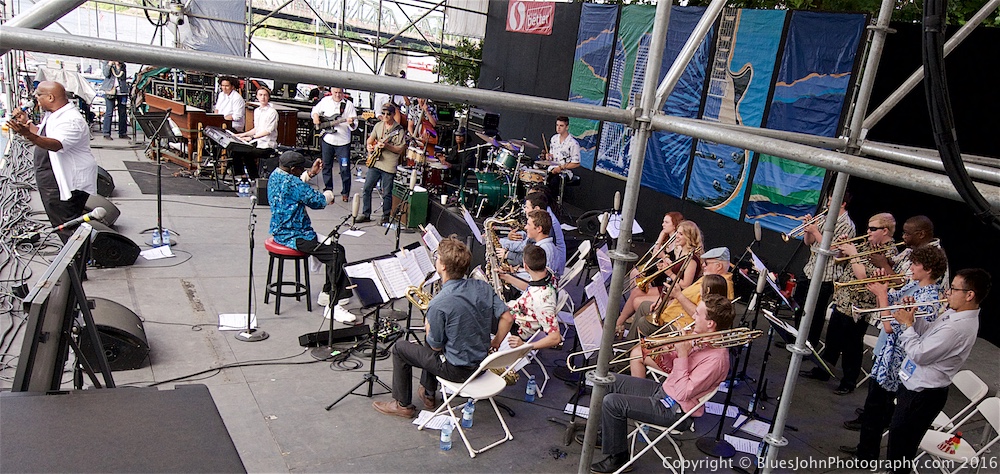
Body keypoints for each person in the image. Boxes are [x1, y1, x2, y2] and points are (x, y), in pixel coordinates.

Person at [589, 294, 735, 473]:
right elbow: (671, 368)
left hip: (675, 410)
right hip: (664, 391)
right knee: (608, 380)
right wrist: (664, 350)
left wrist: (682, 355)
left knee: (612, 402)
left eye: (698, 314)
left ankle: (618, 458)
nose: (693, 317)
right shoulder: (701, 338)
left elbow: (683, 393)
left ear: (710, 323)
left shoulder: (717, 360)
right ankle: (608, 437)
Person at [373, 237, 514, 417]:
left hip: (458, 371)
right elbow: (508, 318)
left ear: (444, 267)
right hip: (482, 364)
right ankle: (429, 394)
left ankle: (402, 405)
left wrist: (429, 327)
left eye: (437, 258)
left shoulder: (439, 303)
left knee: (401, 348)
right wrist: (495, 342)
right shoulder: (482, 287)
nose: (436, 261)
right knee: (434, 340)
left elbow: (436, 347)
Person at [840, 246, 948, 460]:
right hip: (888, 355)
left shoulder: (928, 297)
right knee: (873, 406)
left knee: (878, 409)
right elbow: (891, 300)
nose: (911, 268)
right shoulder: (914, 286)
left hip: (897, 360)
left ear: (927, 269)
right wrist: (882, 286)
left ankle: (866, 455)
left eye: (915, 264)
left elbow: (890, 326)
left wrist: (881, 295)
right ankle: (864, 448)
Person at [885, 268, 990, 473]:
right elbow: (928, 335)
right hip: (915, 386)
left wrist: (907, 327)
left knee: (902, 449)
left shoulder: (958, 327)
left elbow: (920, 354)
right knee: (897, 441)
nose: (948, 293)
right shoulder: (953, 313)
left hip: (923, 394)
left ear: (970, 295)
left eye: (953, 289)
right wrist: (913, 318)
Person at [800, 213, 898, 395]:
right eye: (868, 227)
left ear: (885, 231)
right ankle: (823, 370)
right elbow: (838, 260)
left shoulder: (889, 253)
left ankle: (849, 381)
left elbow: (864, 278)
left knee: (852, 345)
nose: (868, 231)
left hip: (861, 305)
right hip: (843, 298)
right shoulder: (866, 244)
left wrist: (853, 254)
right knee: (832, 338)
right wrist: (842, 249)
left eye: (873, 229)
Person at [267, 151, 353, 320]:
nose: (301, 171)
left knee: (337, 249)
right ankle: (333, 305)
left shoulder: (275, 175)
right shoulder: (293, 183)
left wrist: (310, 173)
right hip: (295, 235)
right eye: (300, 169)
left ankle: (327, 293)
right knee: (335, 254)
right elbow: (318, 201)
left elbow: (295, 186)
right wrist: (328, 195)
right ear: (292, 169)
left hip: (280, 230)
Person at [9, 81, 98, 243]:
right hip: (53, 179)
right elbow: (44, 135)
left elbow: (56, 144)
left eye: (38, 95)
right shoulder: (55, 114)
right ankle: (74, 259)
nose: (35, 98)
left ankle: (77, 263)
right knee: (62, 226)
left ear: (50, 97)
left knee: (67, 228)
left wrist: (28, 135)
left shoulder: (70, 120)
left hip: (66, 183)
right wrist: (27, 125)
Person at [621, 246, 734, 342]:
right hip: (673, 313)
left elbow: (702, 315)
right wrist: (663, 303)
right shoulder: (709, 277)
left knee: (644, 323)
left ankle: (632, 356)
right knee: (643, 306)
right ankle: (629, 345)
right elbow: (689, 297)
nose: (703, 265)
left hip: (681, 324)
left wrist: (678, 295)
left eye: (706, 263)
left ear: (718, 266)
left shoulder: (718, 284)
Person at [629, 273, 729, 377]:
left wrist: (679, 346)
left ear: (707, 290)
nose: (695, 316)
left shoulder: (707, 313)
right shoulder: (711, 315)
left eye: (701, 286)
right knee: (640, 347)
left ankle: (628, 366)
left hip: (681, 361)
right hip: (682, 348)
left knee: (637, 351)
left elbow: (692, 350)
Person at [617, 220, 703, 334]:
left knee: (638, 301)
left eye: (681, 234)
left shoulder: (692, 260)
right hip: (670, 289)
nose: (676, 236)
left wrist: (669, 273)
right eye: (677, 232)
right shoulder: (683, 251)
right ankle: (619, 324)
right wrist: (667, 266)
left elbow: (686, 285)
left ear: (689, 237)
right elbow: (678, 272)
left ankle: (627, 329)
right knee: (636, 292)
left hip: (674, 295)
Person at [792, 193, 856, 348]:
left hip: (826, 276)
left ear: (842, 204)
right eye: (828, 200)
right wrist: (808, 229)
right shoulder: (824, 217)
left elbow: (832, 249)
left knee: (815, 314)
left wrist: (815, 231)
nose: (828, 203)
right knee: (799, 306)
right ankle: (795, 338)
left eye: (831, 201)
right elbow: (809, 242)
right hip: (810, 269)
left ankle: (809, 345)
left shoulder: (846, 224)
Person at [502, 244, 561, 350]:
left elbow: (555, 338)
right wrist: (506, 276)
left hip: (514, 327)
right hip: (517, 312)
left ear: (525, 267)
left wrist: (525, 346)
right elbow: (530, 287)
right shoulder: (548, 274)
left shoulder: (543, 301)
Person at [869, 215, 948, 286]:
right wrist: (883, 257)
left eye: (907, 234)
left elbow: (906, 286)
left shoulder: (933, 255)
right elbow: (894, 266)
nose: (903, 236)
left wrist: (884, 265)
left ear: (921, 234)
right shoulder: (910, 250)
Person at [360, 103, 406, 225]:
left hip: (389, 164)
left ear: (393, 114)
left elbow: (400, 150)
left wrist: (386, 146)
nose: (385, 116)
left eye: (388, 114)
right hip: (376, 162)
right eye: (383, 113)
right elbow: (370, 139)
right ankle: (366, 213)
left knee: (387, 192)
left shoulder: (398, 130)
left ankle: (385, 216)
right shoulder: (378, 125)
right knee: (366, 188)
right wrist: (369, 146)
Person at [500, 191, 566, 273]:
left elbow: (534, 277)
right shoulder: (543, 220)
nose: (525, 210)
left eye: (527, 207)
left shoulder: (542, 249)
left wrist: (507, 251)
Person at [311, 87, 357, 201]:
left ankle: (345, 192)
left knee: (344, 168)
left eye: (340, 93)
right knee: (326, 165)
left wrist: (351, 123)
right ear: (331, 92)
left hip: (343, 142)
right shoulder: (325, 101)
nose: (337, 95)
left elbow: (354, 125)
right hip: (328, 139)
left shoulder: (348, 105)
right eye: (335, 92)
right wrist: (316, 117)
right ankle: (328, 189)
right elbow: (314, 111)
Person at [499, 209, 564, 288]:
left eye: (529, 225)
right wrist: (516, 271)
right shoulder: (545, 247)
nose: (526, 227)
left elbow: (535, 285)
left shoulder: (544, 251)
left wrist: (508, 277)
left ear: (539, 229)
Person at [234, 87, 278, 179]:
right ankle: (240, 175)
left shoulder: (272, 112)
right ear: (257, 96)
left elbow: (268, 131)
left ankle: (255, 178)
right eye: (260, 95)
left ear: (268, 97)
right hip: (257, 143)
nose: (263, 97)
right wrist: (243, 134)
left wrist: (252, 138)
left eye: (265, 95)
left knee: (248, 155)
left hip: (267, 145)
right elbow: (257, 129)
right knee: (237, 150)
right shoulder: (257, 111)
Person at [543, 116, 581, 198]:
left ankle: (552, 204)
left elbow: (576, 163)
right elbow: (552, 157)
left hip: (564, 172)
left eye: (561, 125)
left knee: (554, 182)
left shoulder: (573, 143)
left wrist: (561, 167)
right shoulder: (554, 139)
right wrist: (548, 157)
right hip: (552, 169)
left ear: (567, 127)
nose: (558, 128)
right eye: (557, 125)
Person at [101, 60, 128, 140]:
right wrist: (110, 64)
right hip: (110, 90)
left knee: (122, 113)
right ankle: (106, 133)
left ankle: (122, 133)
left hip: (121, 91)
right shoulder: (106, 63)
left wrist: (118, 66)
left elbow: (123, 77)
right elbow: (106, 74)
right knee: (109, 112)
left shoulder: (123, 65)